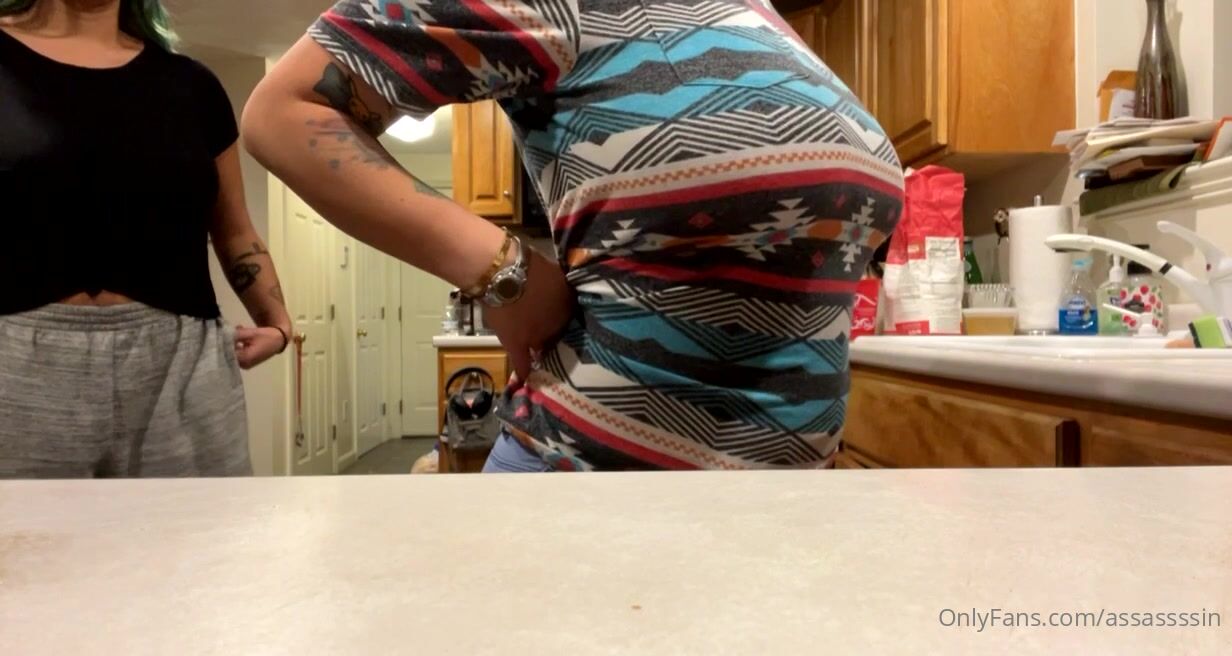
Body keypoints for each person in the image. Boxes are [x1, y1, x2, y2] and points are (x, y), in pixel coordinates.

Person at [244, 0, 903, 472]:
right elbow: (284, 110)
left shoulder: (763, 16)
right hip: (589, 503)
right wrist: (504, 271)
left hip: (785, 516)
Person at [0, 0, 291, 477]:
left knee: (199, 524)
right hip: (15, 368)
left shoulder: (192, 86)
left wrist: (277, 323)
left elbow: (235, 229)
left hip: (182, 366)